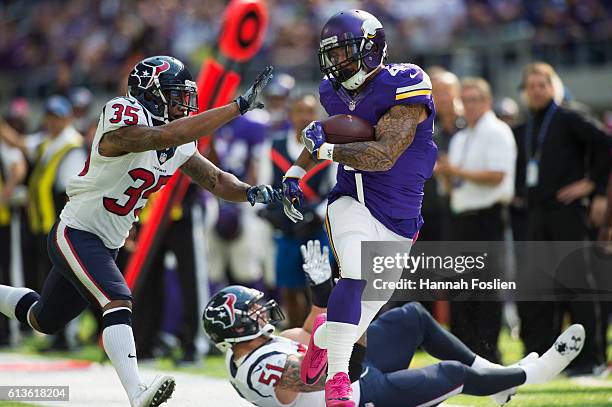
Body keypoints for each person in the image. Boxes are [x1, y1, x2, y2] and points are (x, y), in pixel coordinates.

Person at [0, 55, 281, 407]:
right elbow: (158, 136)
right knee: (117, 300)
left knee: (44, 318)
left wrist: (253, 192)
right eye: (176, 95)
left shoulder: (178, 140)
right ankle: (137, 393)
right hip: (77, 231)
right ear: (150, 92)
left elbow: (216, 179)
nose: (184, 104)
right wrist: (235, 108)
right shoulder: (124, 114)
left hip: (109, 241)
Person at [203, 240, 586, 407]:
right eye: (252, 313)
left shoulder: (262, 347)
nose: (262, 314)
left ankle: (494, 377)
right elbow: (309, 380)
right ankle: (528, 375)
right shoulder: (258, 369)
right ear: (236, 329)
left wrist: (321, 294)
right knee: (452, 373)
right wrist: (342, 336)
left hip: (349, 372)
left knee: (411, 317)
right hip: (355, 396)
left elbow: (305, 332)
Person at [281, 10, 437, 405]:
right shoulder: (331, 91)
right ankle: (338, 383)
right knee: (352, 272)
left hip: (400, 219)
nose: (338, 63)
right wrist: (295, 171)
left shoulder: (407, 82)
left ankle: (320, 336)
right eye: (331, 55)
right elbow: (326, 135)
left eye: (345, 53)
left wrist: (327, 148)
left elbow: (385, 154)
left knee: (358, 316)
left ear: (372, 48)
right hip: (352, 201)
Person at [513, 62, 611, 375]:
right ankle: (544, 362)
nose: (537, 89)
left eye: (543, 83)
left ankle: (591, 360)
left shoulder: (570, 115)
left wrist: (593, 185)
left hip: (567, 214)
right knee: (539, 290)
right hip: (535, 214)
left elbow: (606, 144)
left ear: (554, 86)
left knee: (578, 286)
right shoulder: (527, 125)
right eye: (531, 85)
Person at [437, 77, 517, 364]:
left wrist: (455, 170)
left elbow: (497, 175)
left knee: (485, 288)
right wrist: (446, 174)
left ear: (486, 101)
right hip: (461, 217)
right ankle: (465, 352)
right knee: (460, 289)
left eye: (474, 99)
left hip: (487, 216)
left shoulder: (497, 131)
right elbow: (453, 184)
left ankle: (488, 352)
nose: (469, 105)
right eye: (465, 99)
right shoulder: (460, 137)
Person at [259, 94, 336, 328]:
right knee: (289, 288)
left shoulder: (328, 150)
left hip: (316, 227)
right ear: (290, 115)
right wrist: (270, 211)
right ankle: (295, 336)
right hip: (286, 228)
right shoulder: (274, 146)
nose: (304, 117)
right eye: (300, 111)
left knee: (319, 287)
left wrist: (318, 213)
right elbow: (265, 183)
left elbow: (336, 189)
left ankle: (319, 339)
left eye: (310, 112)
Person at [0, 132, 27, 346]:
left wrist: (5, 194)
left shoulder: (6, 147)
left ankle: (8, 332)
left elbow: (19, 167)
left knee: (6, 275)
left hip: (4, 221)